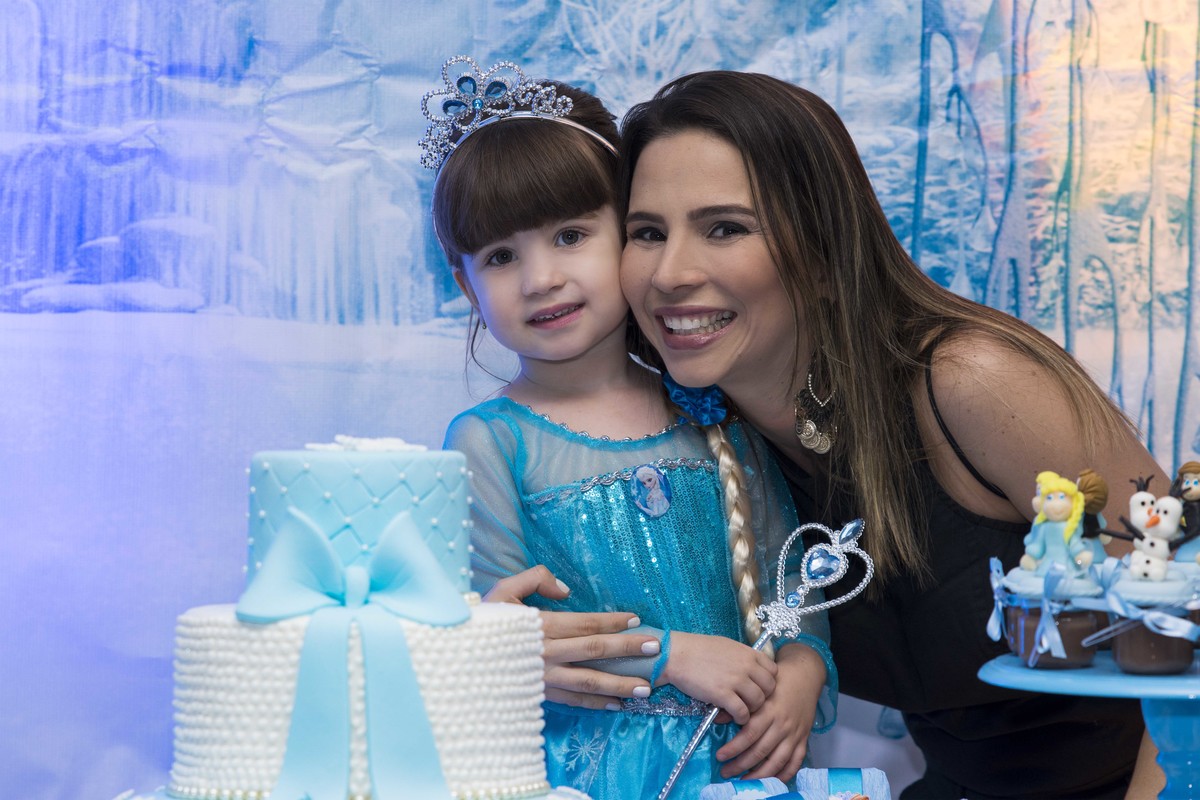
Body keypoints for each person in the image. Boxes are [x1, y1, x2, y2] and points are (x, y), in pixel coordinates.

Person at [617, 69, 1167, 800]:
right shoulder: (700, 449)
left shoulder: (969, 383)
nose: (669, 273)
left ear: (821, 253)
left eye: (726, 227)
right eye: (646, 233)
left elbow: (1187, 605)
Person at [421, 56, 835, 799]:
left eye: (571, 235)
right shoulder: (490, 442)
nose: (540, 278)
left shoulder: (710, 407)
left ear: (630, 234)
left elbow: (791, 577)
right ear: (464, 283)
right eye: (501, 255)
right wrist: (667, 655)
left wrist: (802, 670)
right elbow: (502, 641)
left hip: (737, 766)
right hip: (587, 772)